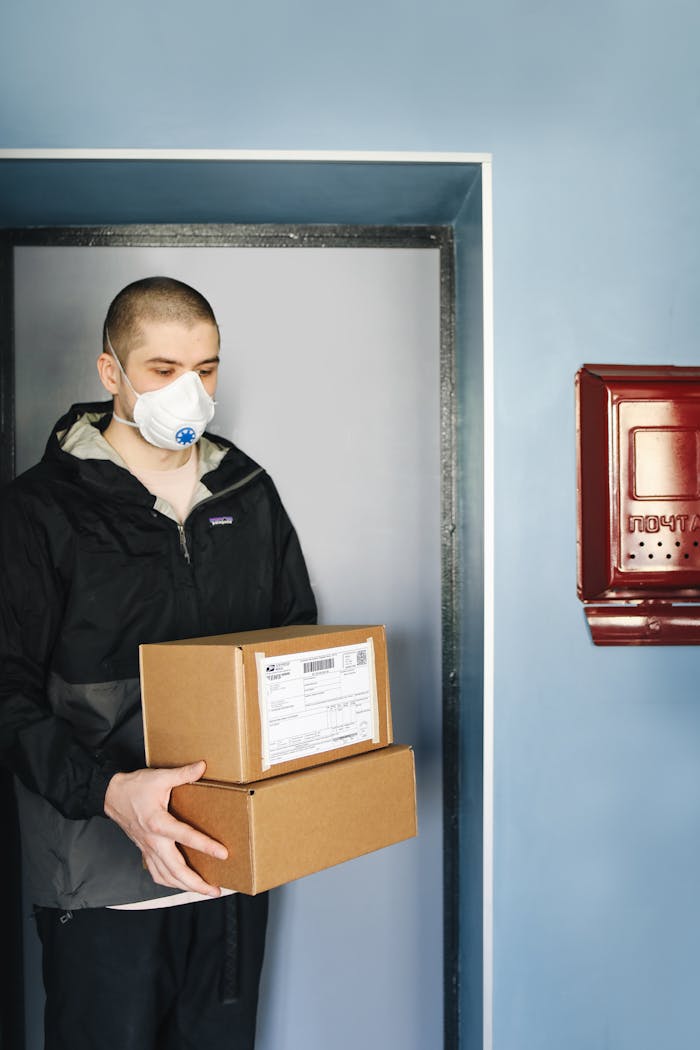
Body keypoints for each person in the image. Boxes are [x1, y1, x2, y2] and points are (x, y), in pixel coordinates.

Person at [0, 276, 317, 1050]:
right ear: (110, 372)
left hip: (227, 873)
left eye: (206, 370)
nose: (191, 392)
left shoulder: (247, 490)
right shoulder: (41, 510)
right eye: (163, 370)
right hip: (97, 885)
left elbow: (292, 641)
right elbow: (7, 693)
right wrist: (110, 791)